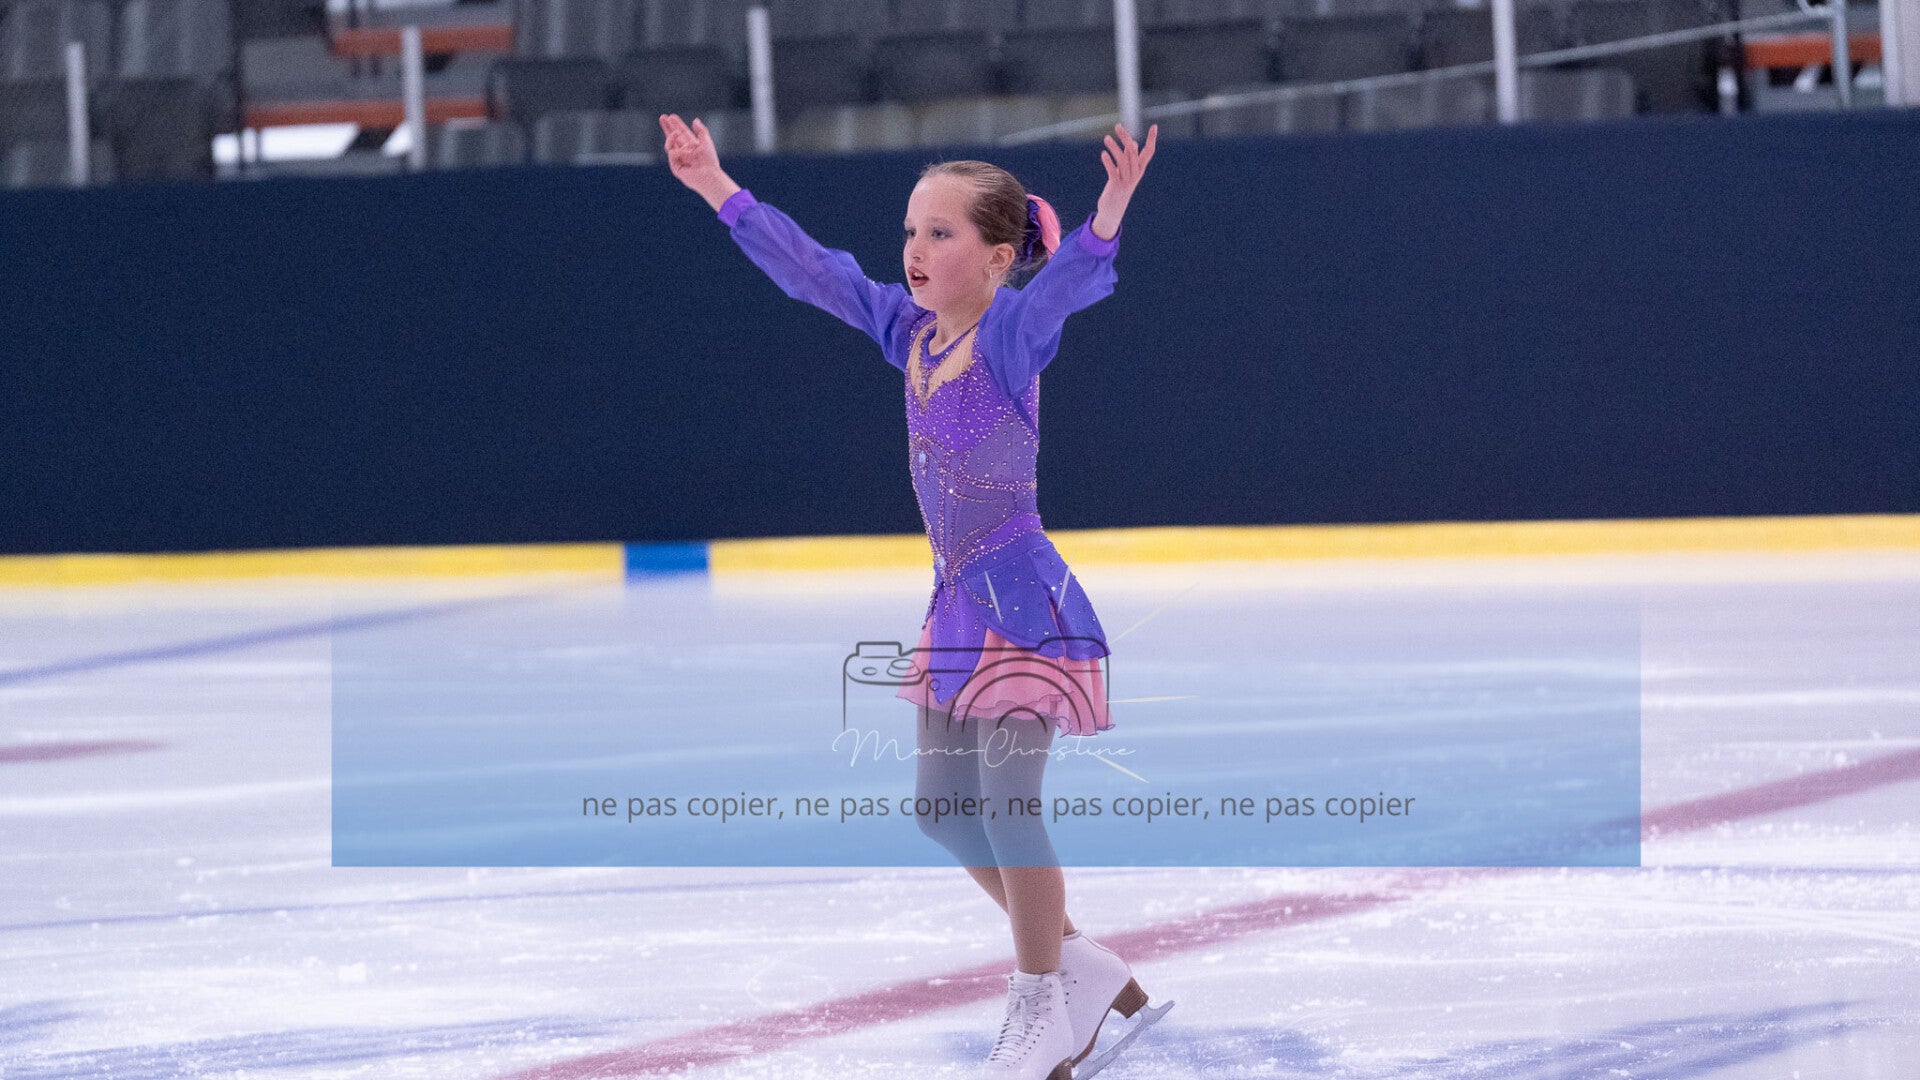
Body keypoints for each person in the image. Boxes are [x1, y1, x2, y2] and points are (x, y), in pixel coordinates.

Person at [661, 111, 1160, 1079]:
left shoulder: (1010, 335)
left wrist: (1107, 214)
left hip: (1024, 602)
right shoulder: (911, 332)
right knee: (941, 809)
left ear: (998, 257)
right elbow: (818, 272)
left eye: (940, 232)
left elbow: (1065, 287)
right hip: (956, 605)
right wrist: (718, 187)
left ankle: (1041, 1006)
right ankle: (1078, 961)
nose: (915, 250)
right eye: (910, 231)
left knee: (1009, 806)